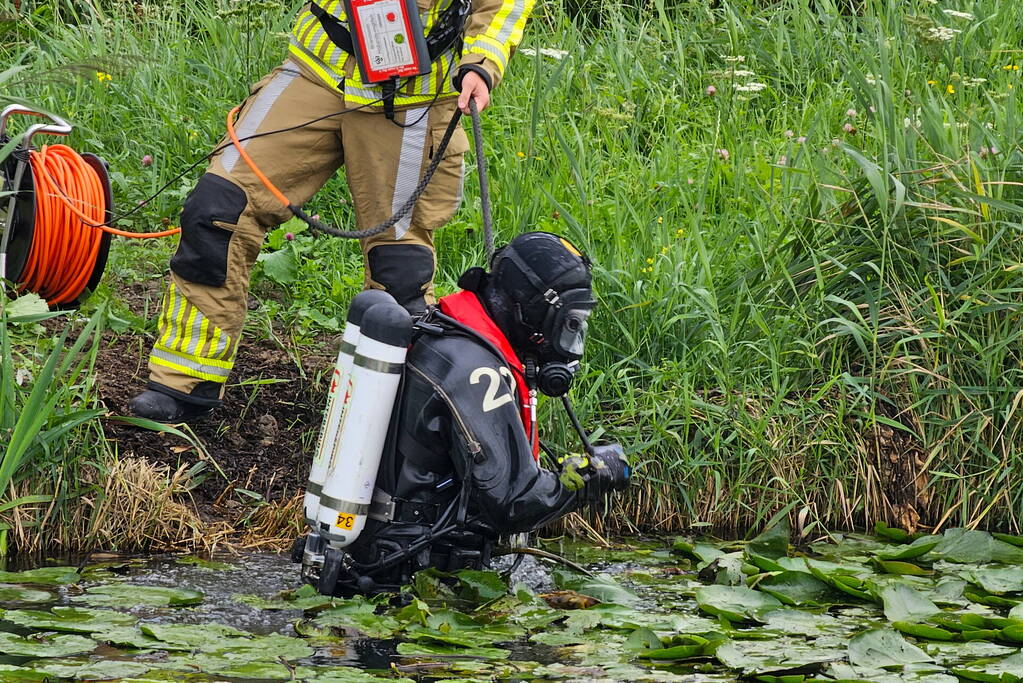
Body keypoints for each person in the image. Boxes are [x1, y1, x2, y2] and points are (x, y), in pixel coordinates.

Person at [129, 0, 535, 422]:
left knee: (399, 272)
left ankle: (399, 421)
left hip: (414, 95)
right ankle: (183, 383)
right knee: (218, 208)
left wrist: (482, 62)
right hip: (316, 71)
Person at [303, 231, 631, 596]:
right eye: (568, 324)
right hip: (413, 584)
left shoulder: (449, 334)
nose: (570, 344)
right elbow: (513, 500)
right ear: (533, 309)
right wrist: (598, 476)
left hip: (380, 563)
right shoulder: (475, 370)